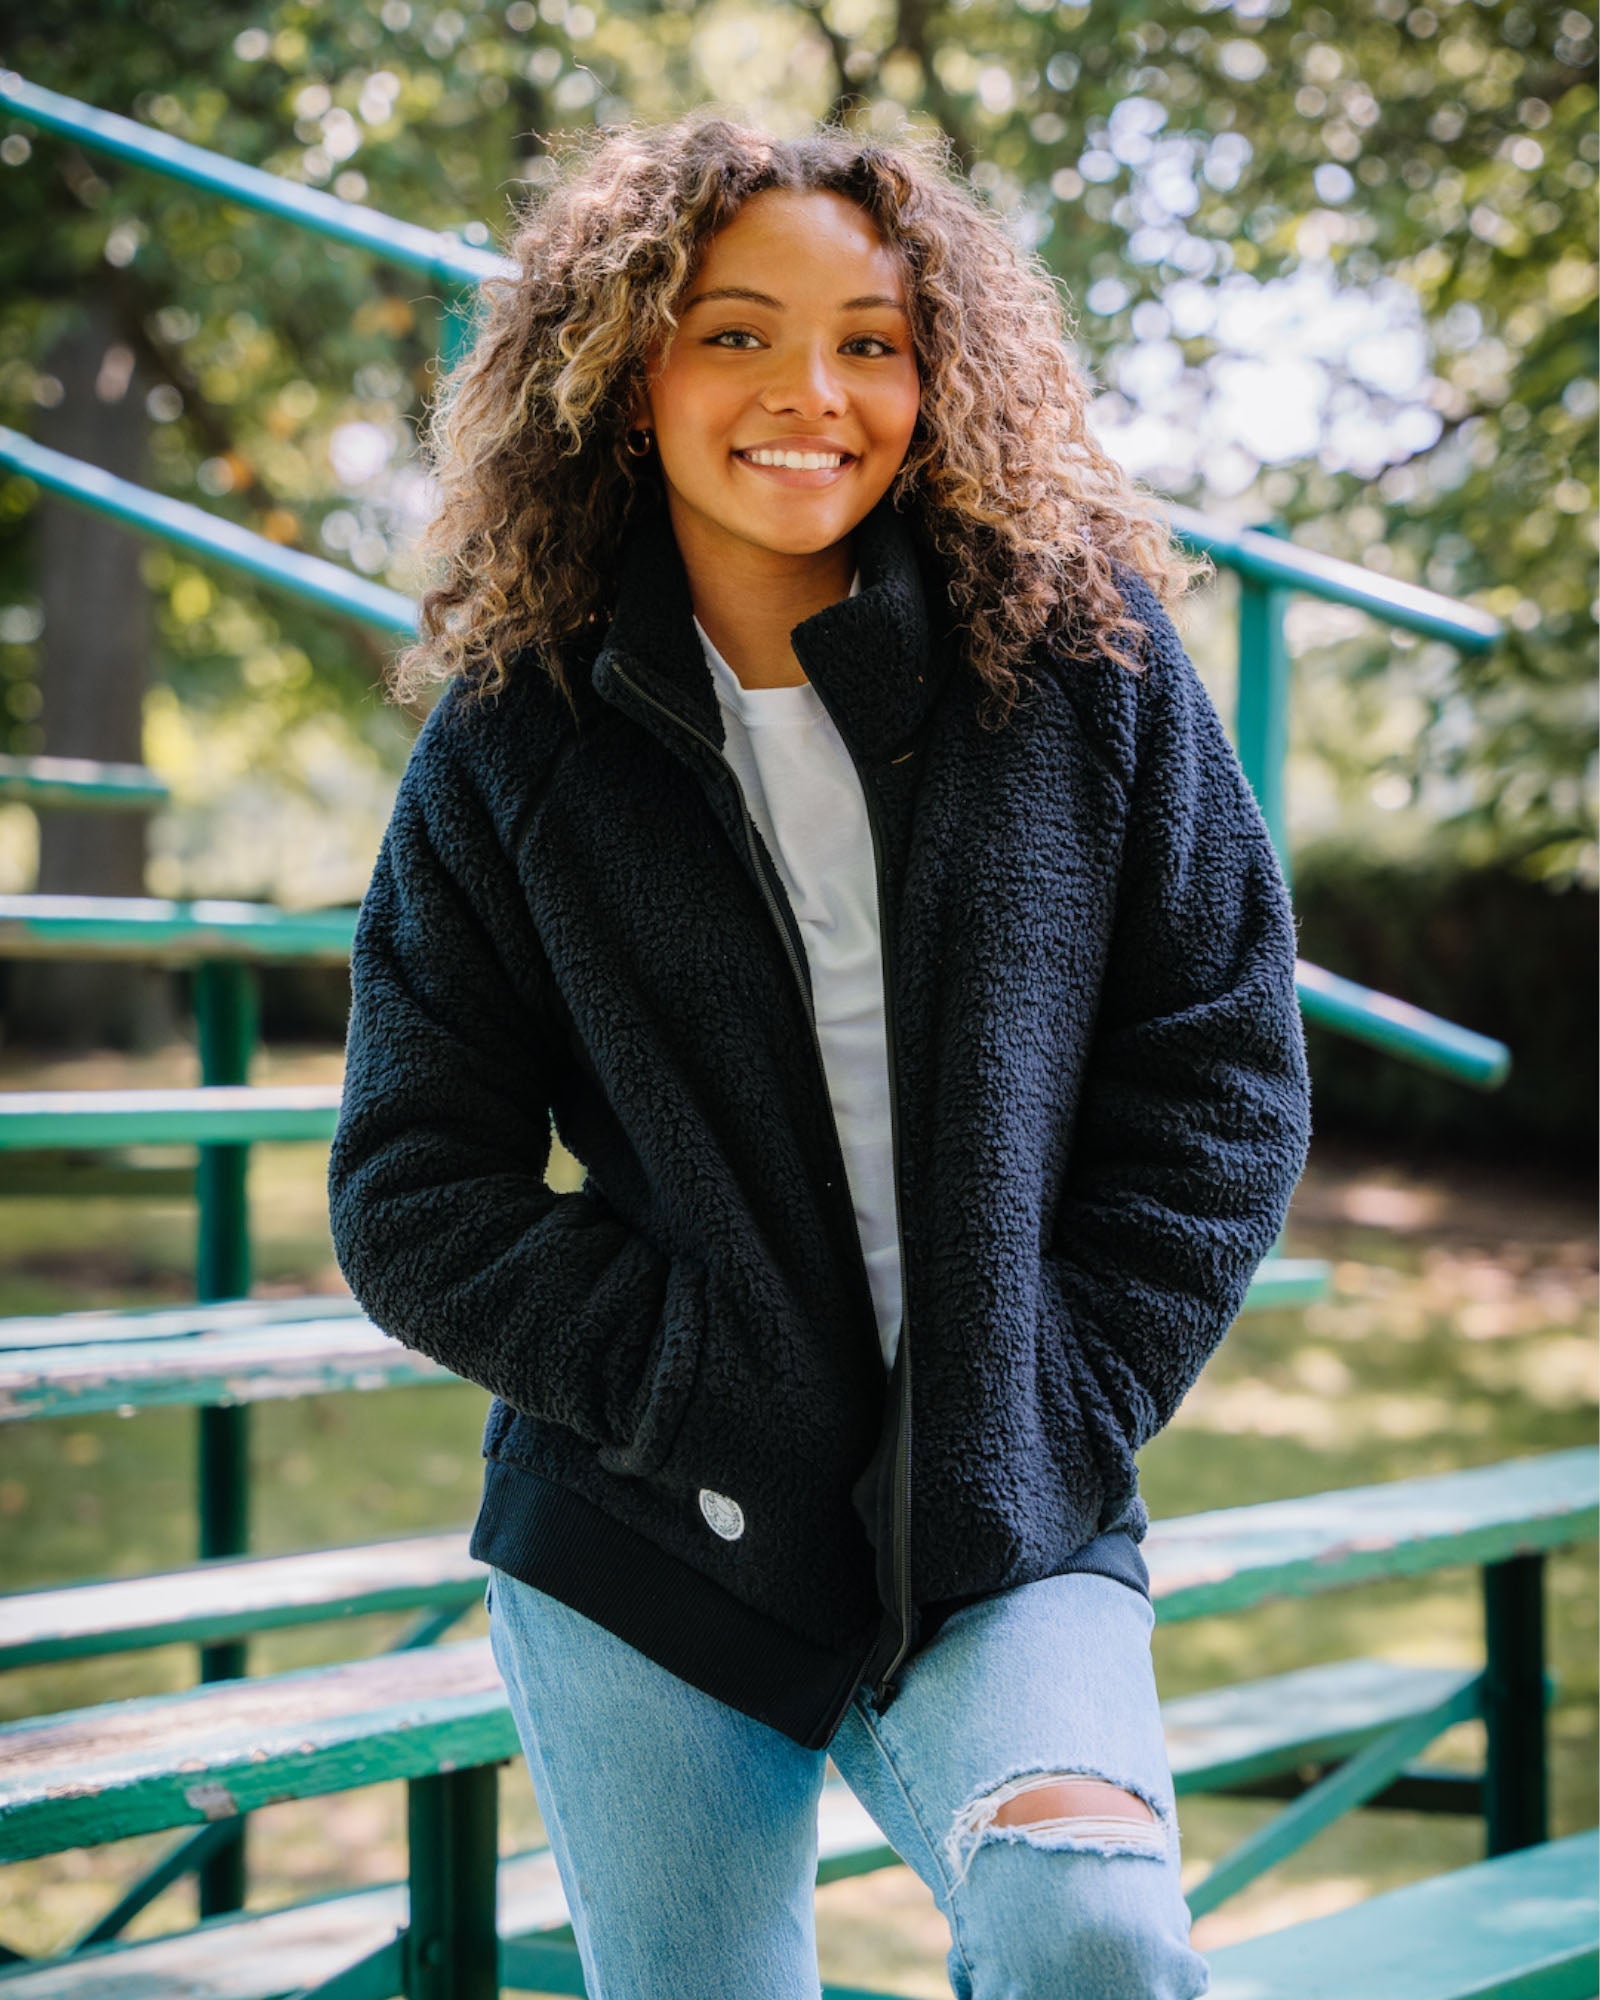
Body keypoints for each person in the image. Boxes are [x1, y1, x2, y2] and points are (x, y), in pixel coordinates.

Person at [328, 108, 1312, 2000]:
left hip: (1003, 1505)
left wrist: (1056, 1387)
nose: (813, 391)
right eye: (735, 332)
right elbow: (410, 1183)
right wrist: (691, 1372)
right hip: (649, 1526)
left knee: (1092, 1933)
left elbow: (1222, 1071)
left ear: (939, 374)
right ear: (626, 381)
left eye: (870, 337)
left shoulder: (1085, 675)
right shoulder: (514, 745)